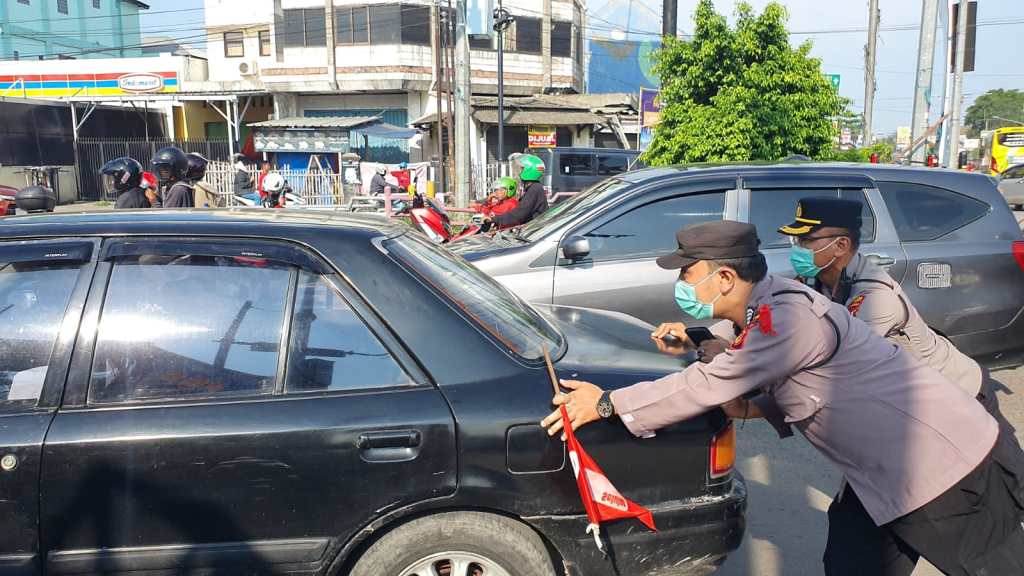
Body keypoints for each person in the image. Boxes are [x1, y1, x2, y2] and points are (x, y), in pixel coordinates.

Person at [541, 220, 1024, 576]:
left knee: (987, 566)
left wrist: (607, 404)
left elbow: (708, 382)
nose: (681, 284)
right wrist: (751, 407)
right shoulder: (771, 306)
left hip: (941, 467)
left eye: (688, 274)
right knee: (852, 562)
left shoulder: (788, 319)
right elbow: (811, 386)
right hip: (881, 471)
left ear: (725, 279)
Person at [776, 196, 1024, 574]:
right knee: (856, 545)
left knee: (991, 528)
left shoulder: (874, 296)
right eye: (796, 241)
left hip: (959, 412)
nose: (798, 250)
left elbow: (831, 363)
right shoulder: (817, 281)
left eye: (807, 242)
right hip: (895, 435)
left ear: (840, 245)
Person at [488, 154, 548, 228]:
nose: (519, 171)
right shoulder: (532, 188)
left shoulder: (535, 189)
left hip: (535, 231)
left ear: (529, 170)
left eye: (522, 169)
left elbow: (519, 213)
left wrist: (494, 219)